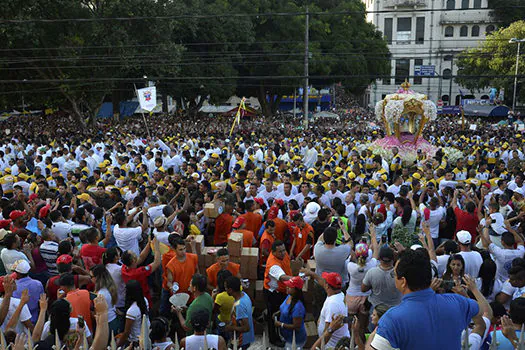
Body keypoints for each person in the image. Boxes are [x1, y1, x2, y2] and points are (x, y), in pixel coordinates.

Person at [367, 249, 484, 349]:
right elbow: (482, 312)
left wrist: (371, 337)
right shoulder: (458, 302)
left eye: (394, 275)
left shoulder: (392, 319)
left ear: (403, 281)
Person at [300, 269, 350, 348]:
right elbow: (323, 283)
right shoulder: (339, 293)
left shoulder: (332, 304)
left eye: (325, 281)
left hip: (331, 345)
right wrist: (311, 274)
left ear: (327, 286)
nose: (323, 282)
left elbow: (327, 332)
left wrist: (318, 347)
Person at [313, 226, 352, 319]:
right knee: (337, 309)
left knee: (319, 306)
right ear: (336, 238)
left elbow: (319, 238)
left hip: (320, 284)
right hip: (337, 286)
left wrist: (329, 226)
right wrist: (343, 229)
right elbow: (350, 243)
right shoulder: (342, 250)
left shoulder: (317, 249)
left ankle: (319, 324)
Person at [263, 240, 293, 346]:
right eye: (280, 252)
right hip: (273, 294)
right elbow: (282, 277)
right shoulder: (273, 265)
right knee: (274, 317)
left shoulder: (283, 256)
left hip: (282, 291)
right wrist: (296, 279)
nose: (283, 253)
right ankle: (274, 339)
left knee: (279, 313)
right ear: (273, 252)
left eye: (284, 250)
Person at [480, 217, 525, 283]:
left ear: (502, 242)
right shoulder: (520, 252)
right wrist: (510, 229)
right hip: (515, 282)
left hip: (499, 282)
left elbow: (487, 241)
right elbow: (520, 241)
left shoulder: (500, 252)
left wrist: (486, 226)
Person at [121, 237, 161, 306]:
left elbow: (141, 258)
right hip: (143, 298)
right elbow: (157, 263)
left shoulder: (124, 268)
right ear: (133, 260)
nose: (136, 255)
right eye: (134, 254)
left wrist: (149, 244)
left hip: (132, 297)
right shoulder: (139, 272)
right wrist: (157, 247)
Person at [274, 276, 307, 348]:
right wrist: (279, 312)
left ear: (296, 290)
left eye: (290, 286)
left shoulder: (298, 308)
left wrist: (281, 324)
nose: (287, 287)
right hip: (286, 336)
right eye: (287, 285)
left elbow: (297, 326)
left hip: (294, 340)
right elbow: (286, 308)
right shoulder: (289, 296)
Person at [117, 280, 150, 348]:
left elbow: (126, 332)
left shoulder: (132, 311)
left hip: (135, 342)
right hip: (145, 337)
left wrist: (117, 345)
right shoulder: (144, 300)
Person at [225, 276, 255, 350]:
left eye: (226, 288)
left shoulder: (240, 305)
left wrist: (231, 328)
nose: (225, 290)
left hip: (241, 341)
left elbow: (246, 328)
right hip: (245, 338)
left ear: (230, 290)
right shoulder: (244, 295)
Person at [90, 264, 120, 334]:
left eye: (91, 276)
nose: (90, 278)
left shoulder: (101, 294)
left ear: (97, 277)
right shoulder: (109, 286)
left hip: (106, 323)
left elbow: (98, 313)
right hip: (113, 318)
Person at [12, 259, 44, 324]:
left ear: (17, 273)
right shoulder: (38, 284)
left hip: (19, 321)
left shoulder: (13, 287)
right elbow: (41, 302)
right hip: (35, 320)